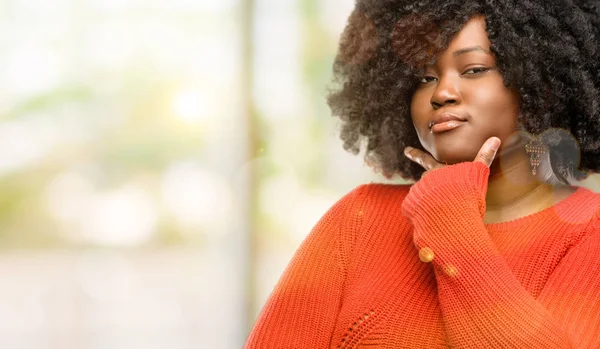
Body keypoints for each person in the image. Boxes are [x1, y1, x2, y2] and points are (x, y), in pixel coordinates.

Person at [245, 0, 600, 347]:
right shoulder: (357, 221)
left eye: (474, 69)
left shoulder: (590, 232)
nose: (441, 93)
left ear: (544, 84)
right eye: (425, 77)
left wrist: (450, 215)